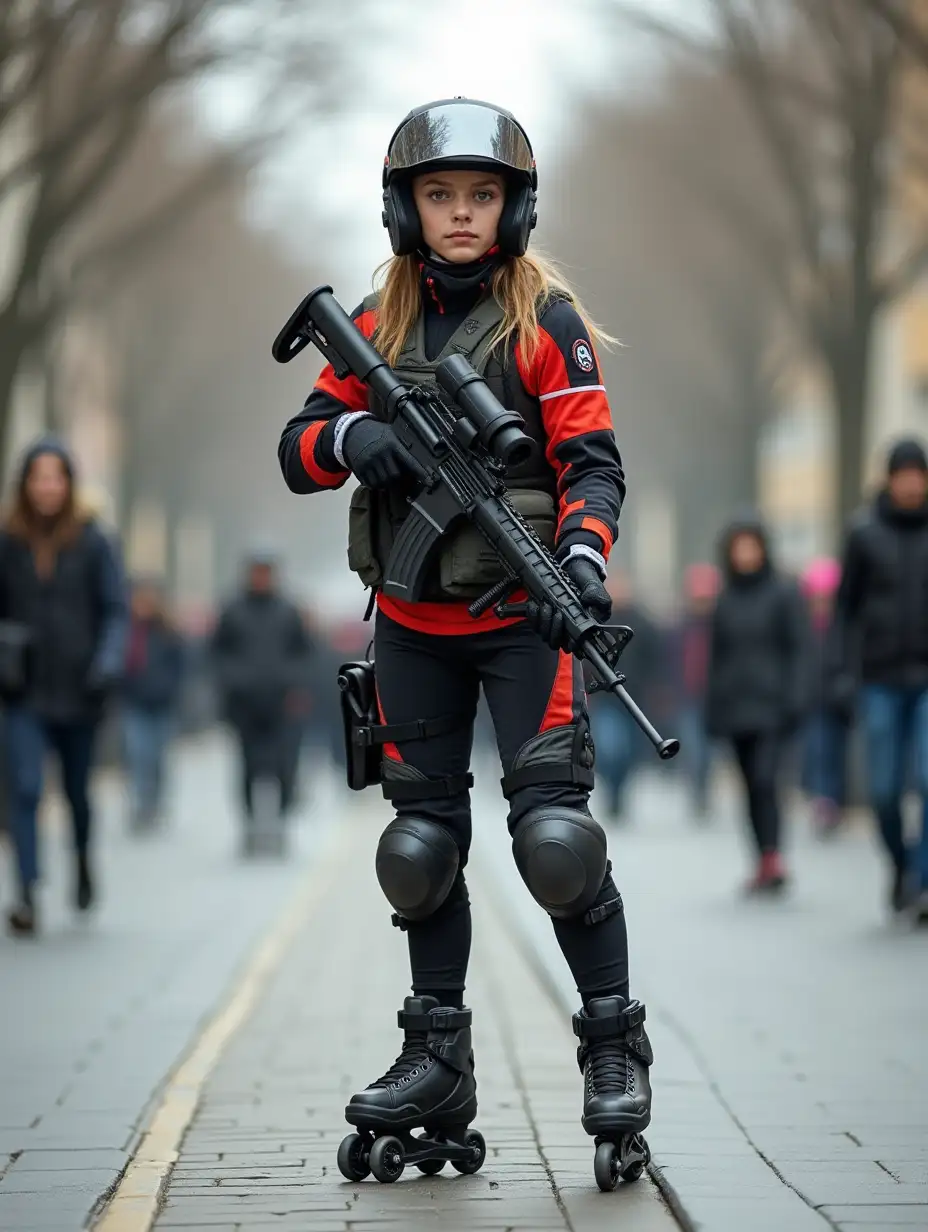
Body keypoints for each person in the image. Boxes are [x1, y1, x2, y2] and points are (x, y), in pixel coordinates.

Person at [279, 97, 652, 1180]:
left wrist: (576, 567)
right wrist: (359, 434)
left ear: (514, 208)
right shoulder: (375, 323)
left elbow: (592, 465)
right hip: (409, 625)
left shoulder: (548, 318)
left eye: (479, 195)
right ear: (406, 209)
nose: (459, 213)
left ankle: (612, 1049)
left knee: (554, 841)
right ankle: (435, 1055)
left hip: (523, 626)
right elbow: (297, 448)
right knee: (418, 848)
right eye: (439, 195)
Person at [0, 437, 127, 935]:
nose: (47, 487)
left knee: (77, 793)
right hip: (23, 689)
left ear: (68, 484)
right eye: (38, 477)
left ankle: (81, 862)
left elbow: (115, 609)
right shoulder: (9, 540)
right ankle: (27, 893)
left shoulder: (94, 541)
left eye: (56, 477)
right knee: (26, 789)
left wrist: (106, 661)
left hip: (80, 689)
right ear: (26, 484)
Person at [831, 438, 928, 918]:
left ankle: (923, 879)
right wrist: (842, 673)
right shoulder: (864, 533)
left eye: (918, 473)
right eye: (903, 473)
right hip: (880, 679)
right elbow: (845, 610)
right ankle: (904, 865)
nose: (912, 482)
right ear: (890, 479)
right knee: (885, 791)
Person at [705, 515, 809, 893]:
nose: (745, 554)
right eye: (739, 547)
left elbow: (799, 649)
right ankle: (761, 859)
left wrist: (797, 697)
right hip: (736, 708)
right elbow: (716, 659)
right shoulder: (726, 599)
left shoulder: (784, 594)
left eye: (751, 546)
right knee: (749, 786)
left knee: (767, 780)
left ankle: (774, 855)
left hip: (773, 706)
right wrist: (712, 710)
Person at [211, 551, 312, 853]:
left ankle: (280, 823)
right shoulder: (233, 611)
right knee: (248, 767)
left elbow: (304, 652)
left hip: (281, 705)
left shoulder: (288, 611)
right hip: (244, 705)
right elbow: (217, 653)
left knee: (284, 768)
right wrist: (234, 679)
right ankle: (250, 825)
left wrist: (293, 682)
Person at [587, 569, 661, 823]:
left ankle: (620, 791)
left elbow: (656, 661)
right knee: (610, 749)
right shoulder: (597, 620)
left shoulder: (644, 623)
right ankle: (612, 790)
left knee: (631, 752)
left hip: (636, 698)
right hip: (605, 697)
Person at [122, 577, 186, 830]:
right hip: (135, 703)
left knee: (157, 757)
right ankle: (141, 804)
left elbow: (180, 667)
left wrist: (169, 690)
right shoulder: (127, 630)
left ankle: (155, 802)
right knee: (138, 755)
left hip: (162, 705)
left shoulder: (168, 632)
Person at [799, 558, 847, 837]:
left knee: (834, 753)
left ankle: (833, 800)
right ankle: (823, 800)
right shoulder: (804, 627)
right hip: (811, 701)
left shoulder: (843, 626)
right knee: (816, 751)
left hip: (836, 702)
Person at [671, 563, 720, 818]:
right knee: (693, 746)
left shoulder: (721, 625)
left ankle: (704, 789)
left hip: (714, 698)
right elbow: (670, 661)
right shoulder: (680, 626)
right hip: (687, 696)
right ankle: (695, 789)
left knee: (710, 750)